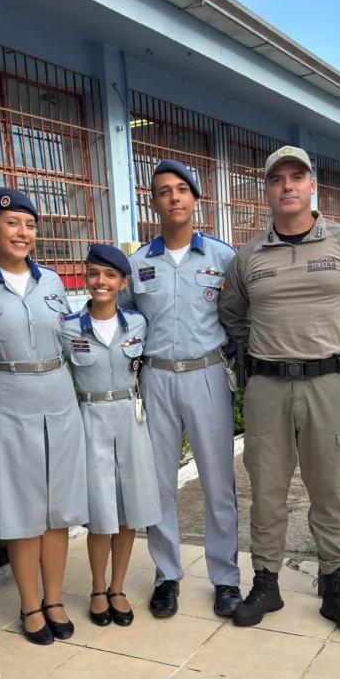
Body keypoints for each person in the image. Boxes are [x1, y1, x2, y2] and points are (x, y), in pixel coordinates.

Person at [219, 145, 340, 638]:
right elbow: (232, 316)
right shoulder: (248, 256)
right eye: (277, 179)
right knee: (266, 493)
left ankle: (336, 587)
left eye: (297, 177)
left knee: (329, 492)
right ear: (266, 191)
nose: (287, 186)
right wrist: (260, 349)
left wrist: (339, 348)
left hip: (326, 385)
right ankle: (266, 583)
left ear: (314, 185)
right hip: (267, 388)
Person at [0, 188, 88, 646]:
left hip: (57, 393)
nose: (22, 233)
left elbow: (69, 336)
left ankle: (54, 600)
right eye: (12, 223)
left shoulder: (52, 282)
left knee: (58, 504)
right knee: (20, 505)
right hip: (6, 399)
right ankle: (30, 605)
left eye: (29, 224)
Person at [120, 159, 241, 619]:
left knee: (218, 482)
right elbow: (126, 316)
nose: (173, 197)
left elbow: (240, 314)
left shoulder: (222, 257)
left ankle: (226, 578)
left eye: (181, 189)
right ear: (153, 203)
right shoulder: (137, 263)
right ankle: (166, 574)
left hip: (208, 375)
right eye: (163, 191)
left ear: (195, 198)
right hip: (156, 377)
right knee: (159, 484)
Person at [63, 243, 162, 627]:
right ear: (85, 278)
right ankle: (98, 588)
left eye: (109, 275)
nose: (100, 281)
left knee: (128, 509)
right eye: (93, 274)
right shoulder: (69, 328)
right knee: (101, 510)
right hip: (90, 419)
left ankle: (118, 587)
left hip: (131, 417)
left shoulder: (137, 323)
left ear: (123, 282)